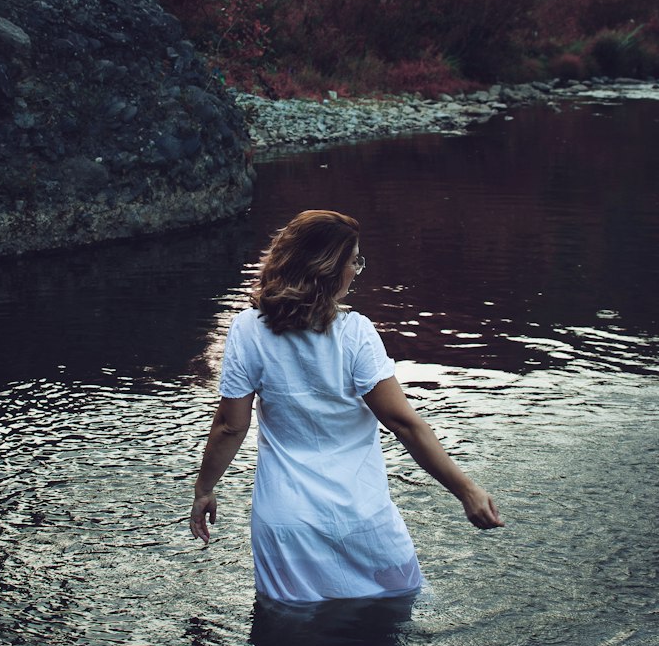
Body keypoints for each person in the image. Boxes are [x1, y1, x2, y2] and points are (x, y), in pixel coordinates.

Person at [189, 209, 503, 603]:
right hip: (361, 519)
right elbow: (403, 424)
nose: (356, 270)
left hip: (288, 524)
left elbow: (230, 427)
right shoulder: (356, 334)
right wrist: (466, 490)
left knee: (290, 642)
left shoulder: (248, 330)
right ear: (326, 270)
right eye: (353, 261)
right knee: (392, 622)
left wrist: (204, 488)